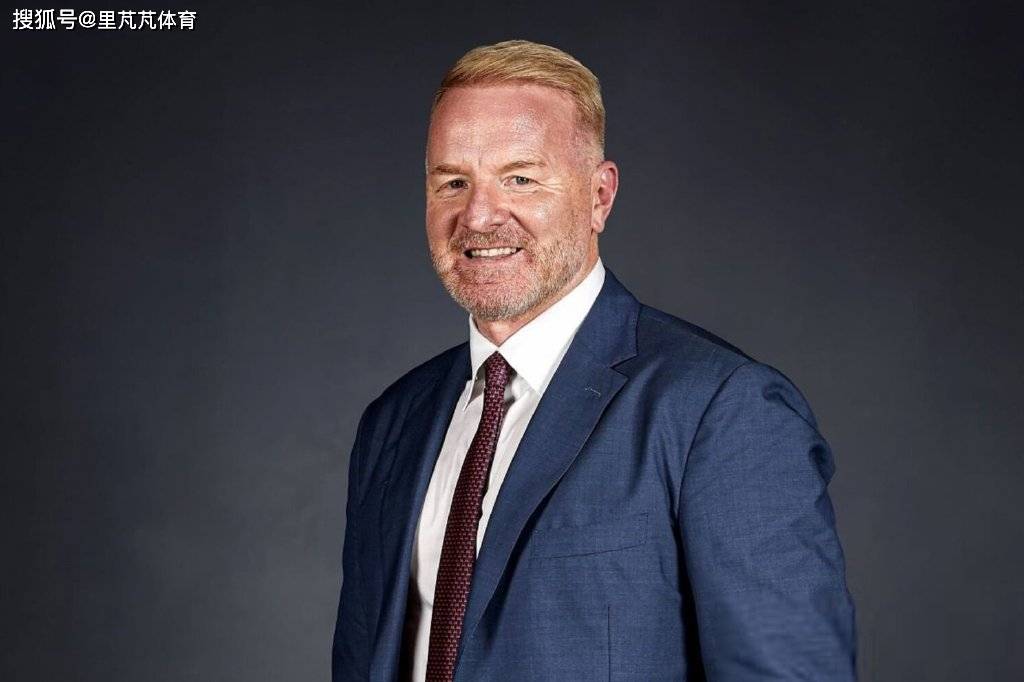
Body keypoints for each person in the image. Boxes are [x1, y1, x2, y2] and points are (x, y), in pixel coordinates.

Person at [332, 39, 857, 681]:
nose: (480, 215)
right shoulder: (393, 422)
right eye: (453, 182)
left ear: (600, 196)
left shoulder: (720, 410)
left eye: (521, 178)